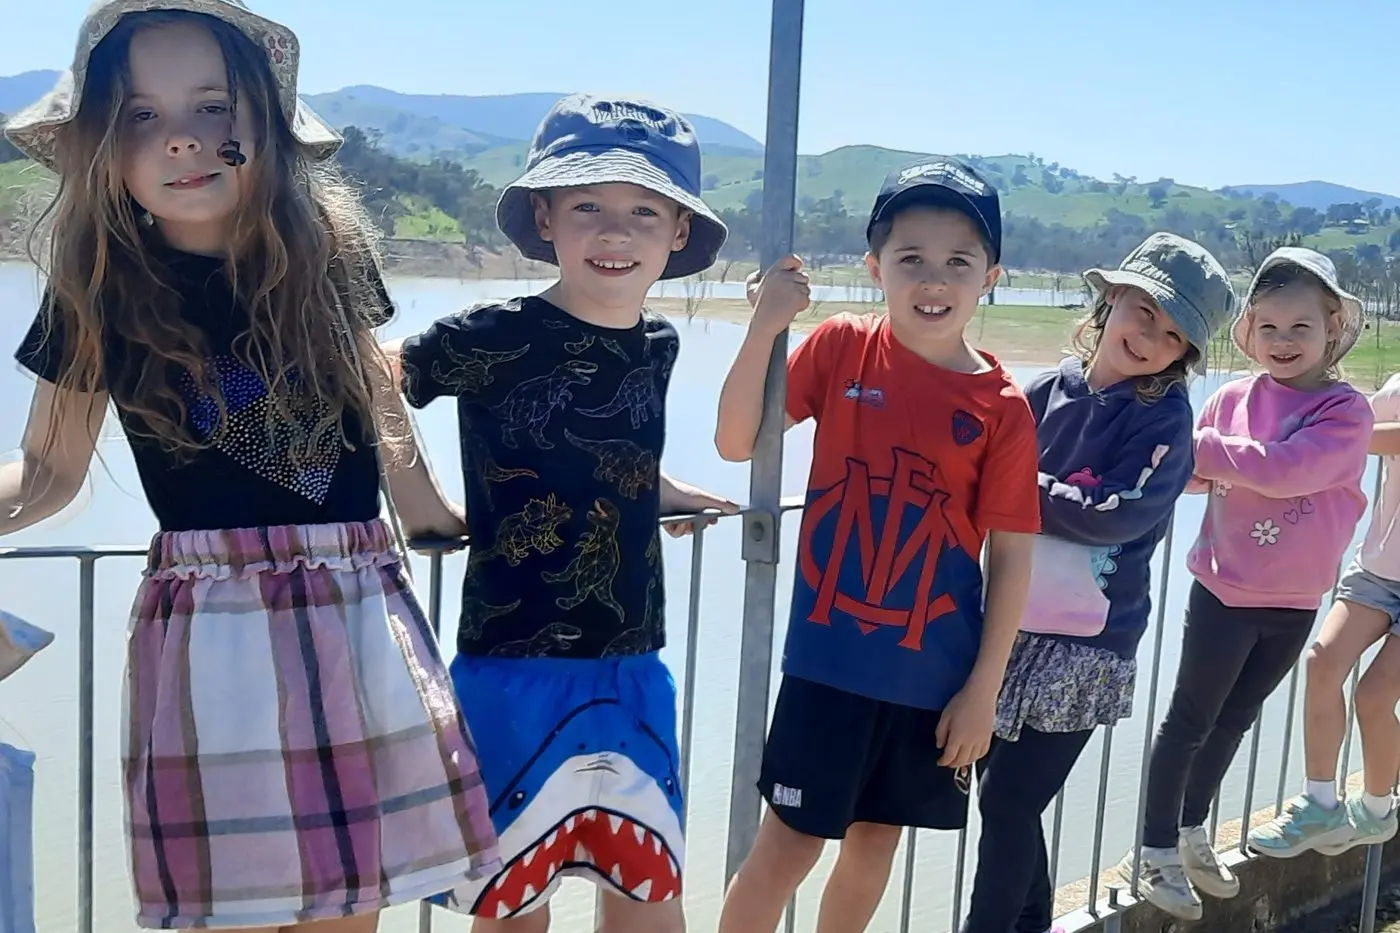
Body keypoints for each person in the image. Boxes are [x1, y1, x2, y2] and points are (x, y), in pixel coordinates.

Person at [1, 2, 502, 929]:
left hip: (357, 606)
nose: (182, 142)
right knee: (229, 910)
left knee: (353, 904)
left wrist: (434, 515)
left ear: (264, 124)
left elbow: (380, 405)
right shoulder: (98, 289)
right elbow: (45, 474)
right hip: (212, 631)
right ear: (102, 145)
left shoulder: (329, 255)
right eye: (142, 117)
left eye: (213, 108)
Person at [387, 95, 737, 933]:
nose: (615, 233)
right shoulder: (491, 334)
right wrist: (423, 504)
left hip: (631, 658)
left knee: (648, 888)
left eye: (643, 213)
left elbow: (612, 444)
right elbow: (372, 379)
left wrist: (664, 490)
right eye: (588, 207)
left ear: (678, 233)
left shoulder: (657, 343)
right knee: (513, 901)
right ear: (545, 217)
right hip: (511, 659)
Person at [714, 158, 1040, 933]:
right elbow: (733, 443)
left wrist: (983, 691)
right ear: (875, 267)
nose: (934, 279)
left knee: (874, 847)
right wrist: (765, 324)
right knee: (785, 849)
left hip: (934, 680)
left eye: (958, 261)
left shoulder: (1002, 407)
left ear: (989, 276)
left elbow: (1014, 554)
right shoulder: (840, 349)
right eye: (911, 258)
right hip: (829, 665)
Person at [963, 233, 1236, 933]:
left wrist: (1019, 486)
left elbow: (1119, 515)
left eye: (1172, 334)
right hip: (1010, 629)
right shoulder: (1043, 391)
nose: (1149, 337)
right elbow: (974, 454)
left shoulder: (1165, 420)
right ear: (1109, 300)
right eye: (1143, 312)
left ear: (1183, 357)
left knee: (1010, 803)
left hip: (1091, 646)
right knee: (1003, 794)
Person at [1118, 247, 1371, 919]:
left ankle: (1192, 828)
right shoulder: (1230, 399)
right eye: (1270, 327)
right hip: (1224, 590)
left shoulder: (1348, 412)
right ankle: (1154, 849)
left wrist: (1197, 449)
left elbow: (1288, 470)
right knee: (1190, 717)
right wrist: (1196, 457)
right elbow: (1189, 475)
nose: (1284, 342)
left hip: (1294, 601)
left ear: (1332, 328)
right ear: (1249, 329)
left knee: (1235, 717)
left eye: (1301, 327)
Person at [1249, 328, 1400, 859]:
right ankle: (1320, 805)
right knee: (1321, 661)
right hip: (1379, 571)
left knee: (1375, 697)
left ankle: (1378, 810)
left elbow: (1364, 436)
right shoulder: (1397, 388)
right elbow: (1350, 419)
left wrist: (1326, 439)